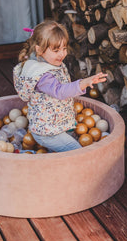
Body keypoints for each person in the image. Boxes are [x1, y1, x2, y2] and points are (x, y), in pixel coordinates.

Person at [13, 20, 107, 152]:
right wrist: (83, 83)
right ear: (39, 50)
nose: (62, 54)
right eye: (56, 50)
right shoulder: (41, 75)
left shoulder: (49, 61)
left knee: (64, 152)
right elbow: (59, 91)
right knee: (76, 152)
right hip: (47, 132)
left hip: (57, 125)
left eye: (64, 48)